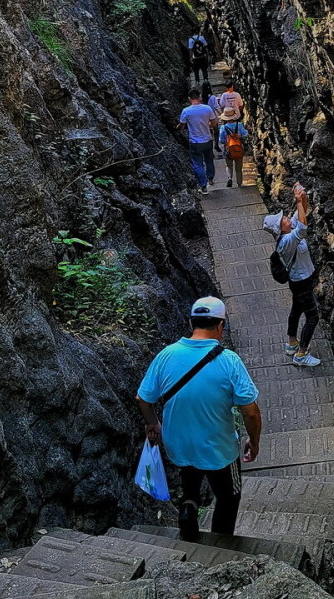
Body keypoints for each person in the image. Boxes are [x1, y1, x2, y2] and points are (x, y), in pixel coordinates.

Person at [136, 296, 261, 541]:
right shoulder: (229, 361)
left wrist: (153, 423)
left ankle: (188, 508)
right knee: (229, 495)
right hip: (218, 448)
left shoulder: (166, 355)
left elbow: (142, 399)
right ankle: (221, 542)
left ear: (192, 322)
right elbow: (251, 412)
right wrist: (253, 442)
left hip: (177, 443)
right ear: (220, 326)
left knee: (189, 471)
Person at [263, 183, 321, 367]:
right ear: (281, 228)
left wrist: (301, 196)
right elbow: (303, 229)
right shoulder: (286, 241)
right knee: (312, 317)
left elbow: (304, 210)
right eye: (283, 220)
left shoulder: (290, 228)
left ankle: (291, 343)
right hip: (301, 282)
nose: (287, 218)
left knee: (296, 311)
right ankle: (301, 354)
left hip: (301, 280)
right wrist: (297, 201)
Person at [179, 88, 218, 195]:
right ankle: (210, 178)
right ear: (200, 97)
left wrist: (178, 126)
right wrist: (207, 125)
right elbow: (214, 124)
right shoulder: (207, 108)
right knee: (209, 160)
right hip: (208, 140)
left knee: (198, 164)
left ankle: (204, 186)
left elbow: (181, 126)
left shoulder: (186, 111)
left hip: (195, 142)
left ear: (189, 99)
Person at [220, 115, 249, 187]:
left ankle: (230, 178)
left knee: (229, 165)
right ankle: (239, 184)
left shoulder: (223, 127)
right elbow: (245, 134)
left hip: (228, 150)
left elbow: (221, 140)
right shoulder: (239, 125)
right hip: (239, 149)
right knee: (239, 168)